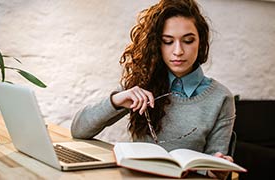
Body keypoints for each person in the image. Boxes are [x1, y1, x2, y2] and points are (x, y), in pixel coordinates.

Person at [71, 0, 235, 178]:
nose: (178, 51)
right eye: (167, 41)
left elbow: (215, 168)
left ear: (201, 42)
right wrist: (116, 101)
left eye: (188, 41)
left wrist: (218, 169)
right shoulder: (141, 82)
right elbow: (79, 130)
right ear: (157, 44)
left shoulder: (221, 97)